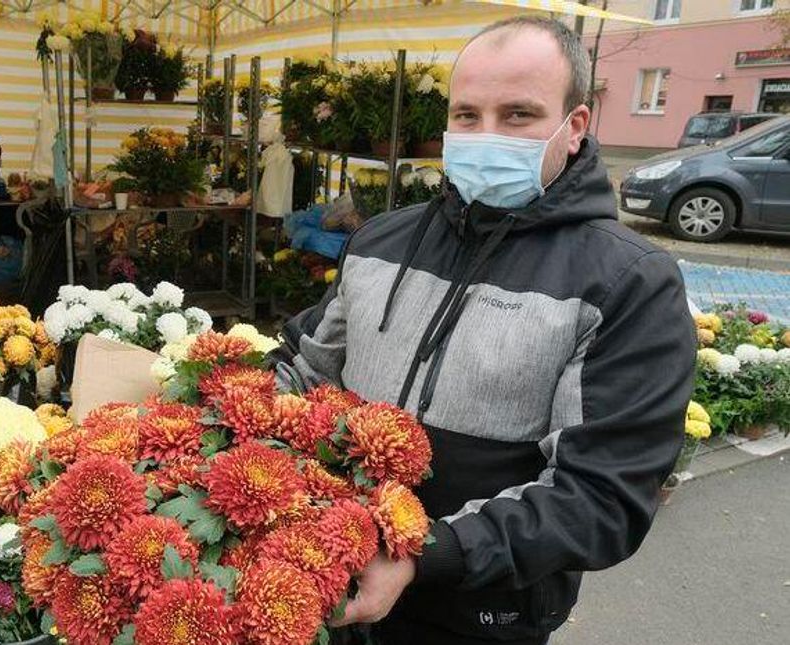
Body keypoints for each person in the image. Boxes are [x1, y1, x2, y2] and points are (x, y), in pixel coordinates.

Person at [270, 16, 696, 645]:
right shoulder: (381, 241)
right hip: (329, 572)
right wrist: (214, 405)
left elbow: (601, 497)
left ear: (574, 127)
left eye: (518, 114)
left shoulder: (626, 283)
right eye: (467, 115)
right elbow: (306, 366)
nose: (485, 135)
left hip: (478, 612)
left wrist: (425, 554)